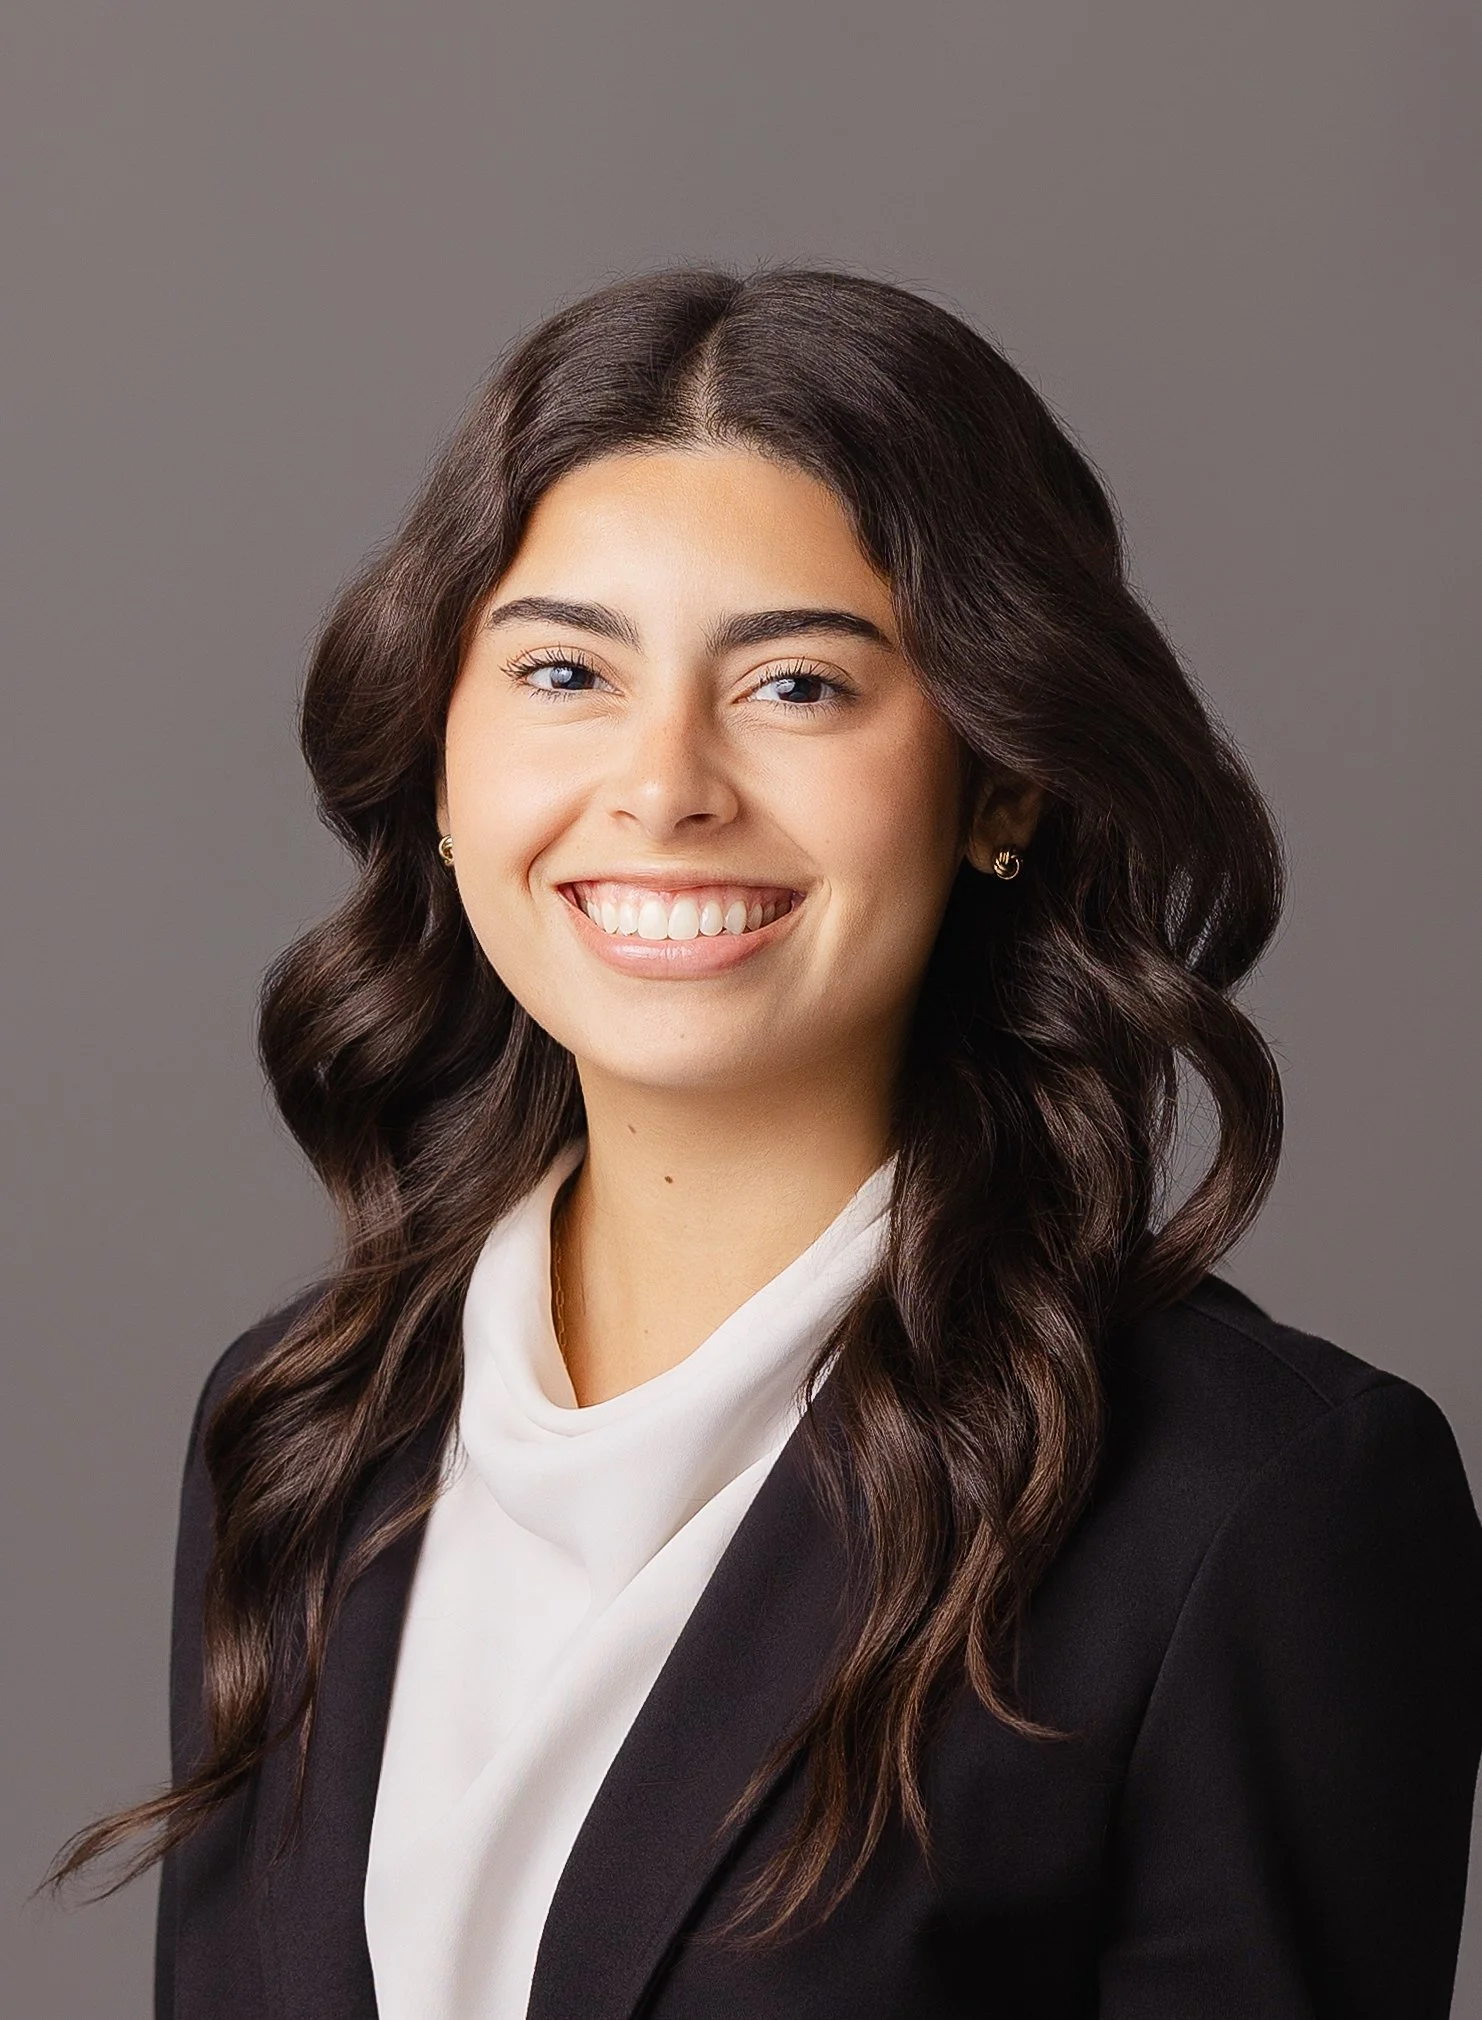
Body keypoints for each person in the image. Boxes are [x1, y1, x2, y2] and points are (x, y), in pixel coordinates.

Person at [54, 267, 1482, 2018]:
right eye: (566, 670)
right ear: (442, 765)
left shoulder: (1248, 1503)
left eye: (797, 685)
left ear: (1001, 781)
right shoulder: (300, 1428)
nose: (664, 785)